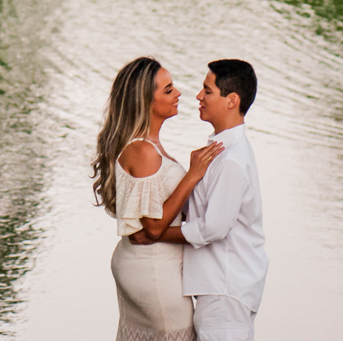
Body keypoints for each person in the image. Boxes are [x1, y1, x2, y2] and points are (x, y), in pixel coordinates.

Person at [130, 59, 267, 341]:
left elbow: (212, 228)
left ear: (232, 101)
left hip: (225, 290)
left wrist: (155, 234)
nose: (198, 96)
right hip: (218, 288)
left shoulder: (232, 160)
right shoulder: (221, 151)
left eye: (207, 90)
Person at [92, 56, 225, 341]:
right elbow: (151, 228)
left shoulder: (147, 145)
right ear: (145, 101)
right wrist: (192, 175)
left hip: (146, 265)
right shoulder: (142, 150)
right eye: (168, 89)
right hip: (152, 270)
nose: (178, 93)